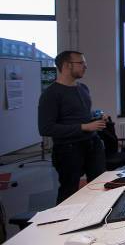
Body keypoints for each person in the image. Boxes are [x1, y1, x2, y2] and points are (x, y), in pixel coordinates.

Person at [38, 51, 107, 204]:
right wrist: (84, 127)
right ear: (67, 65)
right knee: (69, 191)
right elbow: (46, 128)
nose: (85, 66)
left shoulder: (83, 88)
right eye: (81, 63)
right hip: (68, 149)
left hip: (92, 143)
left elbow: (80, 115)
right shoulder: (51, 94)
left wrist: (96, 118)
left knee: (99, 185)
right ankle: (63, 225)